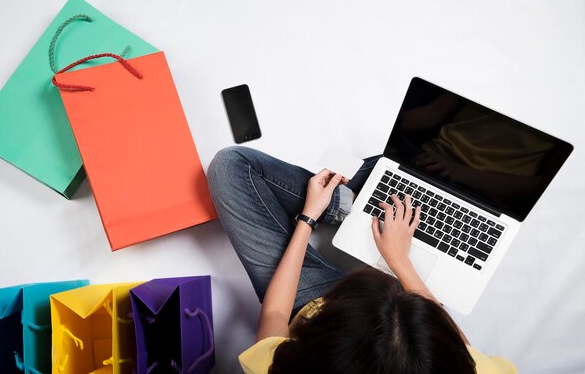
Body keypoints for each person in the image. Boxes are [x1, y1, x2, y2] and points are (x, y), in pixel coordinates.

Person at [207, 146, 517, 374]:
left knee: (231, 166)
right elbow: (462, 348)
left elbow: (275, 311)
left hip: (309, 300)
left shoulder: (286, 367)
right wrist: (400, 262)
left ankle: (345, 205)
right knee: (404, 163)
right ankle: (356, 201)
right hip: (392, 272)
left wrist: (310, 216)